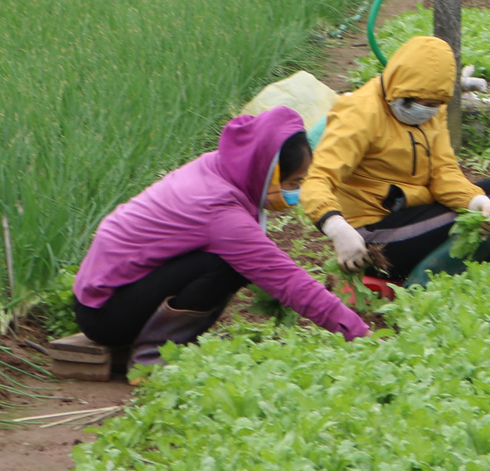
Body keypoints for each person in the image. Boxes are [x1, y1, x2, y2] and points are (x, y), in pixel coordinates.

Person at [73, 106, 369, 366]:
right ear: (267, 173)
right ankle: (153, 357)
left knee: (228, 260)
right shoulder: (220, 211)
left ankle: (156, 342)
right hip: (105, 314)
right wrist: (358, 333)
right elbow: (287, 280)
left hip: (103, 292)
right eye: (292, 182)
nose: (296, 192)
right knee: (226, 266)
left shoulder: (220, 166)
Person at [302, 34, 490, 285]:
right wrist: (337, 228)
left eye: (436, 104)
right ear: (402, 93)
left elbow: (442, 171)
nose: (430, 111)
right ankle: (420, 288)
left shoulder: (433, 109)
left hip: (412, 211)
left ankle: (455, 273)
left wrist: (472, 199)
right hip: (371, 234)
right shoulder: (360, 113)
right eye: (425, 104)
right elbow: (317, 179)